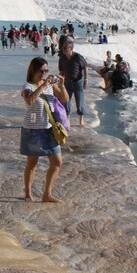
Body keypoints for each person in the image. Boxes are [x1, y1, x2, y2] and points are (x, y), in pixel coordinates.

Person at [21, 57, 69, 203]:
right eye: (41, 71)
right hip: (32, 130)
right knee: (32, 163)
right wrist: (42, 86)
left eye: (46, 71)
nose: (44, 74)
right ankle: (28, 192)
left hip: (49, 129)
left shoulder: (49, 86)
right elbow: (29, 101)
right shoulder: (27, 87)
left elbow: (65, 99)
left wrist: (62, 85)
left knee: (57, 162)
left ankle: (47, 194)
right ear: (33, 71)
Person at [58, 35, 88, 127]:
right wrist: (60, 82)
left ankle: (81, 119)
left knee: (79, 103)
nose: (63, 50)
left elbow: (85, 68)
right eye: (63, 48)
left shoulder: (78, 57)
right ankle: (67, 119)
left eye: (65, 48)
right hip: (67, 82)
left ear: (70, 49)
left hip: (78, 82)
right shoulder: (62, 58)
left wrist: (85, 80)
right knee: (66, 102)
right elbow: (61, 71)